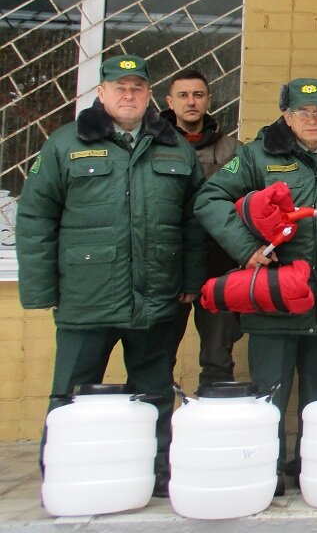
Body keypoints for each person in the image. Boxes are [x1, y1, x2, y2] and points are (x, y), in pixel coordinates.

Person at [16, 54, 206, 497]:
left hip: (155, 294)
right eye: (119, 87)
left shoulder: (174, 148)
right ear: (100, 94)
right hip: (87, 297)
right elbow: (36, 219)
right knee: (70, 394)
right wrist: (42, 290)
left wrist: (190, 281)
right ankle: (61, 471)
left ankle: (157, 472)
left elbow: (194, 222)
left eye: (137, 88)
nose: (128, 95)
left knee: (155, 391)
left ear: (149, 96)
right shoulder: (65, 144)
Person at [194, 78, 317, 495]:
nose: (313, 119)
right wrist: (247, 249)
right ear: (286, 115)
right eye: (303, 112)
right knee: (271, 395)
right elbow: (208, 200)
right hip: (275, 298)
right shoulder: (256, 154)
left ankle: (310, 472)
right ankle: (264, 474)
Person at [161, 68, 243, 386]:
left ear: (209, 99)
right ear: (169, 101)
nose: (191, 102)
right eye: (182, 95)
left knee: (218, 360)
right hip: (169, 267)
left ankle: (213, 430)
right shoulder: (152, 147)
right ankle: (159, 434)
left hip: (219, 266)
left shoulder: (232, 151)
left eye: (198, 95)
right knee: (158, 356)